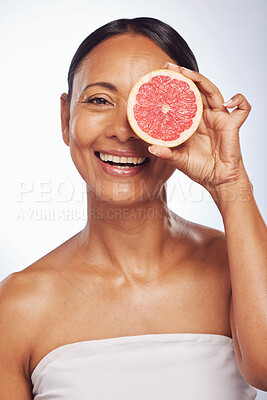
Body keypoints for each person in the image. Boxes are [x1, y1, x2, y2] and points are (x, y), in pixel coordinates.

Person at [0, 17, 266, 400]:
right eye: (99, 100)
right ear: (65, 118)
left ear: (187, 119)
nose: (123, 131)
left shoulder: (241, 266)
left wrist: (230, 183)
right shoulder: (18, 306)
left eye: (151, 105)